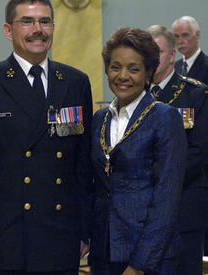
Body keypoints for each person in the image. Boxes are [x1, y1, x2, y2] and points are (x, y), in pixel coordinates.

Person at [0, 0, 93, 274]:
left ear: (53, 27)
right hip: (10, 233)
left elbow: (82, 165)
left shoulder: (75, 82)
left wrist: (84, 229)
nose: (37, 29)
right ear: (8, 30)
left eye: (45, 21)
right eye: (27, 21)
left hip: (62, 231)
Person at [89, 27, 187, 275]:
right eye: (115, 66)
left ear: (148, 74)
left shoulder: (164, 117)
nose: (122, 76)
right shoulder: (100, 118)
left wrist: (139, 265)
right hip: (104, 253)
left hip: (150, 259)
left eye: (133, 69)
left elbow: (166, 200)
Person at [147, 24, 208, 275]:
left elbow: (198, 152)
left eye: (157, 52)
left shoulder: (196, 94)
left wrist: (155, 180)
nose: (150, 58)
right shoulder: (133, 96)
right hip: (143, 213)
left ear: (172, 56)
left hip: (183, 206)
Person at [172, 16, 208, 257]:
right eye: (176, 36)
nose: (180, 41)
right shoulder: (174, 69)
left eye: (185, 35)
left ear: (197, 35)